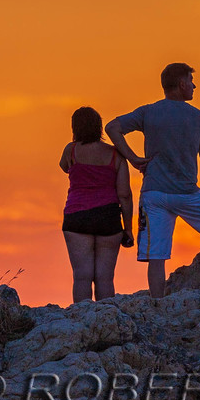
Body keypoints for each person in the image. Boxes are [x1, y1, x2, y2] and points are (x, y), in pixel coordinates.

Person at [106, 63, 200, 297]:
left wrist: (132, 158)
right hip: (187, 193)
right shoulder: (198, 117)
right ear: (181, 84)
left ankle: (158, 304)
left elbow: (112, 128)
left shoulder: (148, 112)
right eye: (191, 81)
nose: (194, 85)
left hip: (155, 194)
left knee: (157, 255)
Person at [59, 106, 134, 303]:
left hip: (76, 216)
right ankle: (105, 319)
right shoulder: (115, 155)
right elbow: (124, 195)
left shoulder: (71, 150)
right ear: (99, 127)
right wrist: (128, 229)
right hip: (107, 217)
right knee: (105, 277)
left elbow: (63, 167)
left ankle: (82, 322)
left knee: (82, 276)